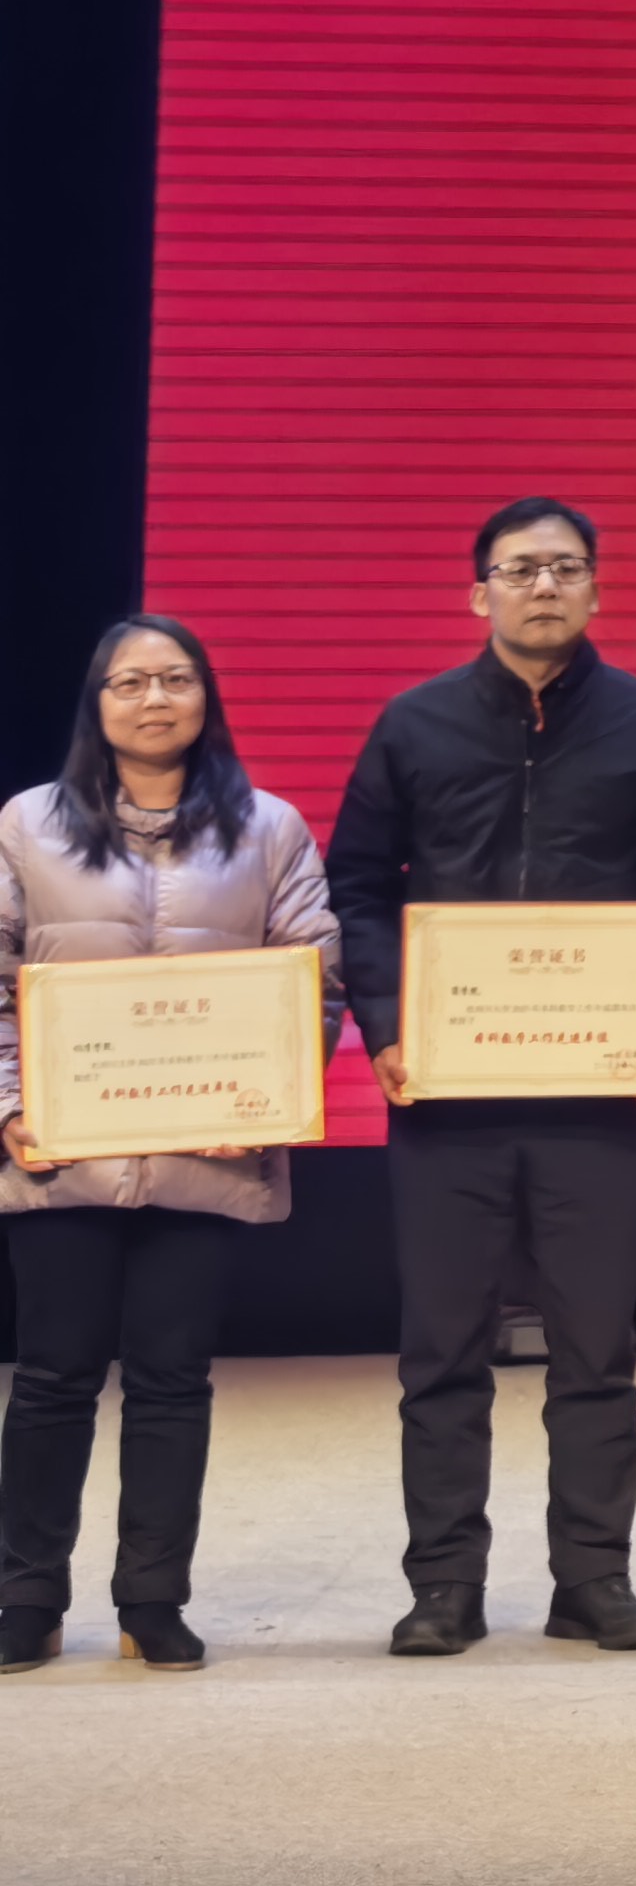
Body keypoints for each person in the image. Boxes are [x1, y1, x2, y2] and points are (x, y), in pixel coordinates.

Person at [327, 496, 636, 1661]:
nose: (543, 586)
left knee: (596, 1349)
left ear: (597, 588)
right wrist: (387, 1023)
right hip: (446, 1091)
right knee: (441, 1353)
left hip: (593, 1096)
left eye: (564, 568)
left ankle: (593, 1579)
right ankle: (444, 1585)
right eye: (519, 569)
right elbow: (360, 886)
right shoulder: (414, 723)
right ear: (480, 593)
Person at [0, 615, 342, 1673]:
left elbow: (315, 980)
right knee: (52, 1377)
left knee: (172, 1379)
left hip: (209, 1152)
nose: (155, 699)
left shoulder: (270, 828)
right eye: (130, 682)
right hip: (62, 1151)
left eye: (176, 679)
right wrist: (10, 1107)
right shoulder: (26, 824)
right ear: (97, 703)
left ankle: (153, 1597)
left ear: (206, 697)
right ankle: (24, 1597)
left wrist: (266, 1100)